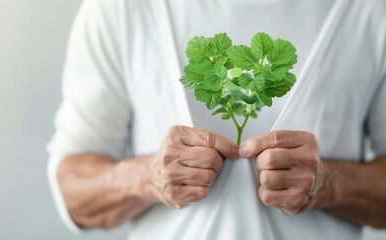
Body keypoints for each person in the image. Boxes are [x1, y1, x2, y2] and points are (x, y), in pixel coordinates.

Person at [47, 0, 386, 239]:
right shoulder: (121, 9)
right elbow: (73, 191)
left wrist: (329, 184)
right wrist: (148, 177)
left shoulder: (370, 11)